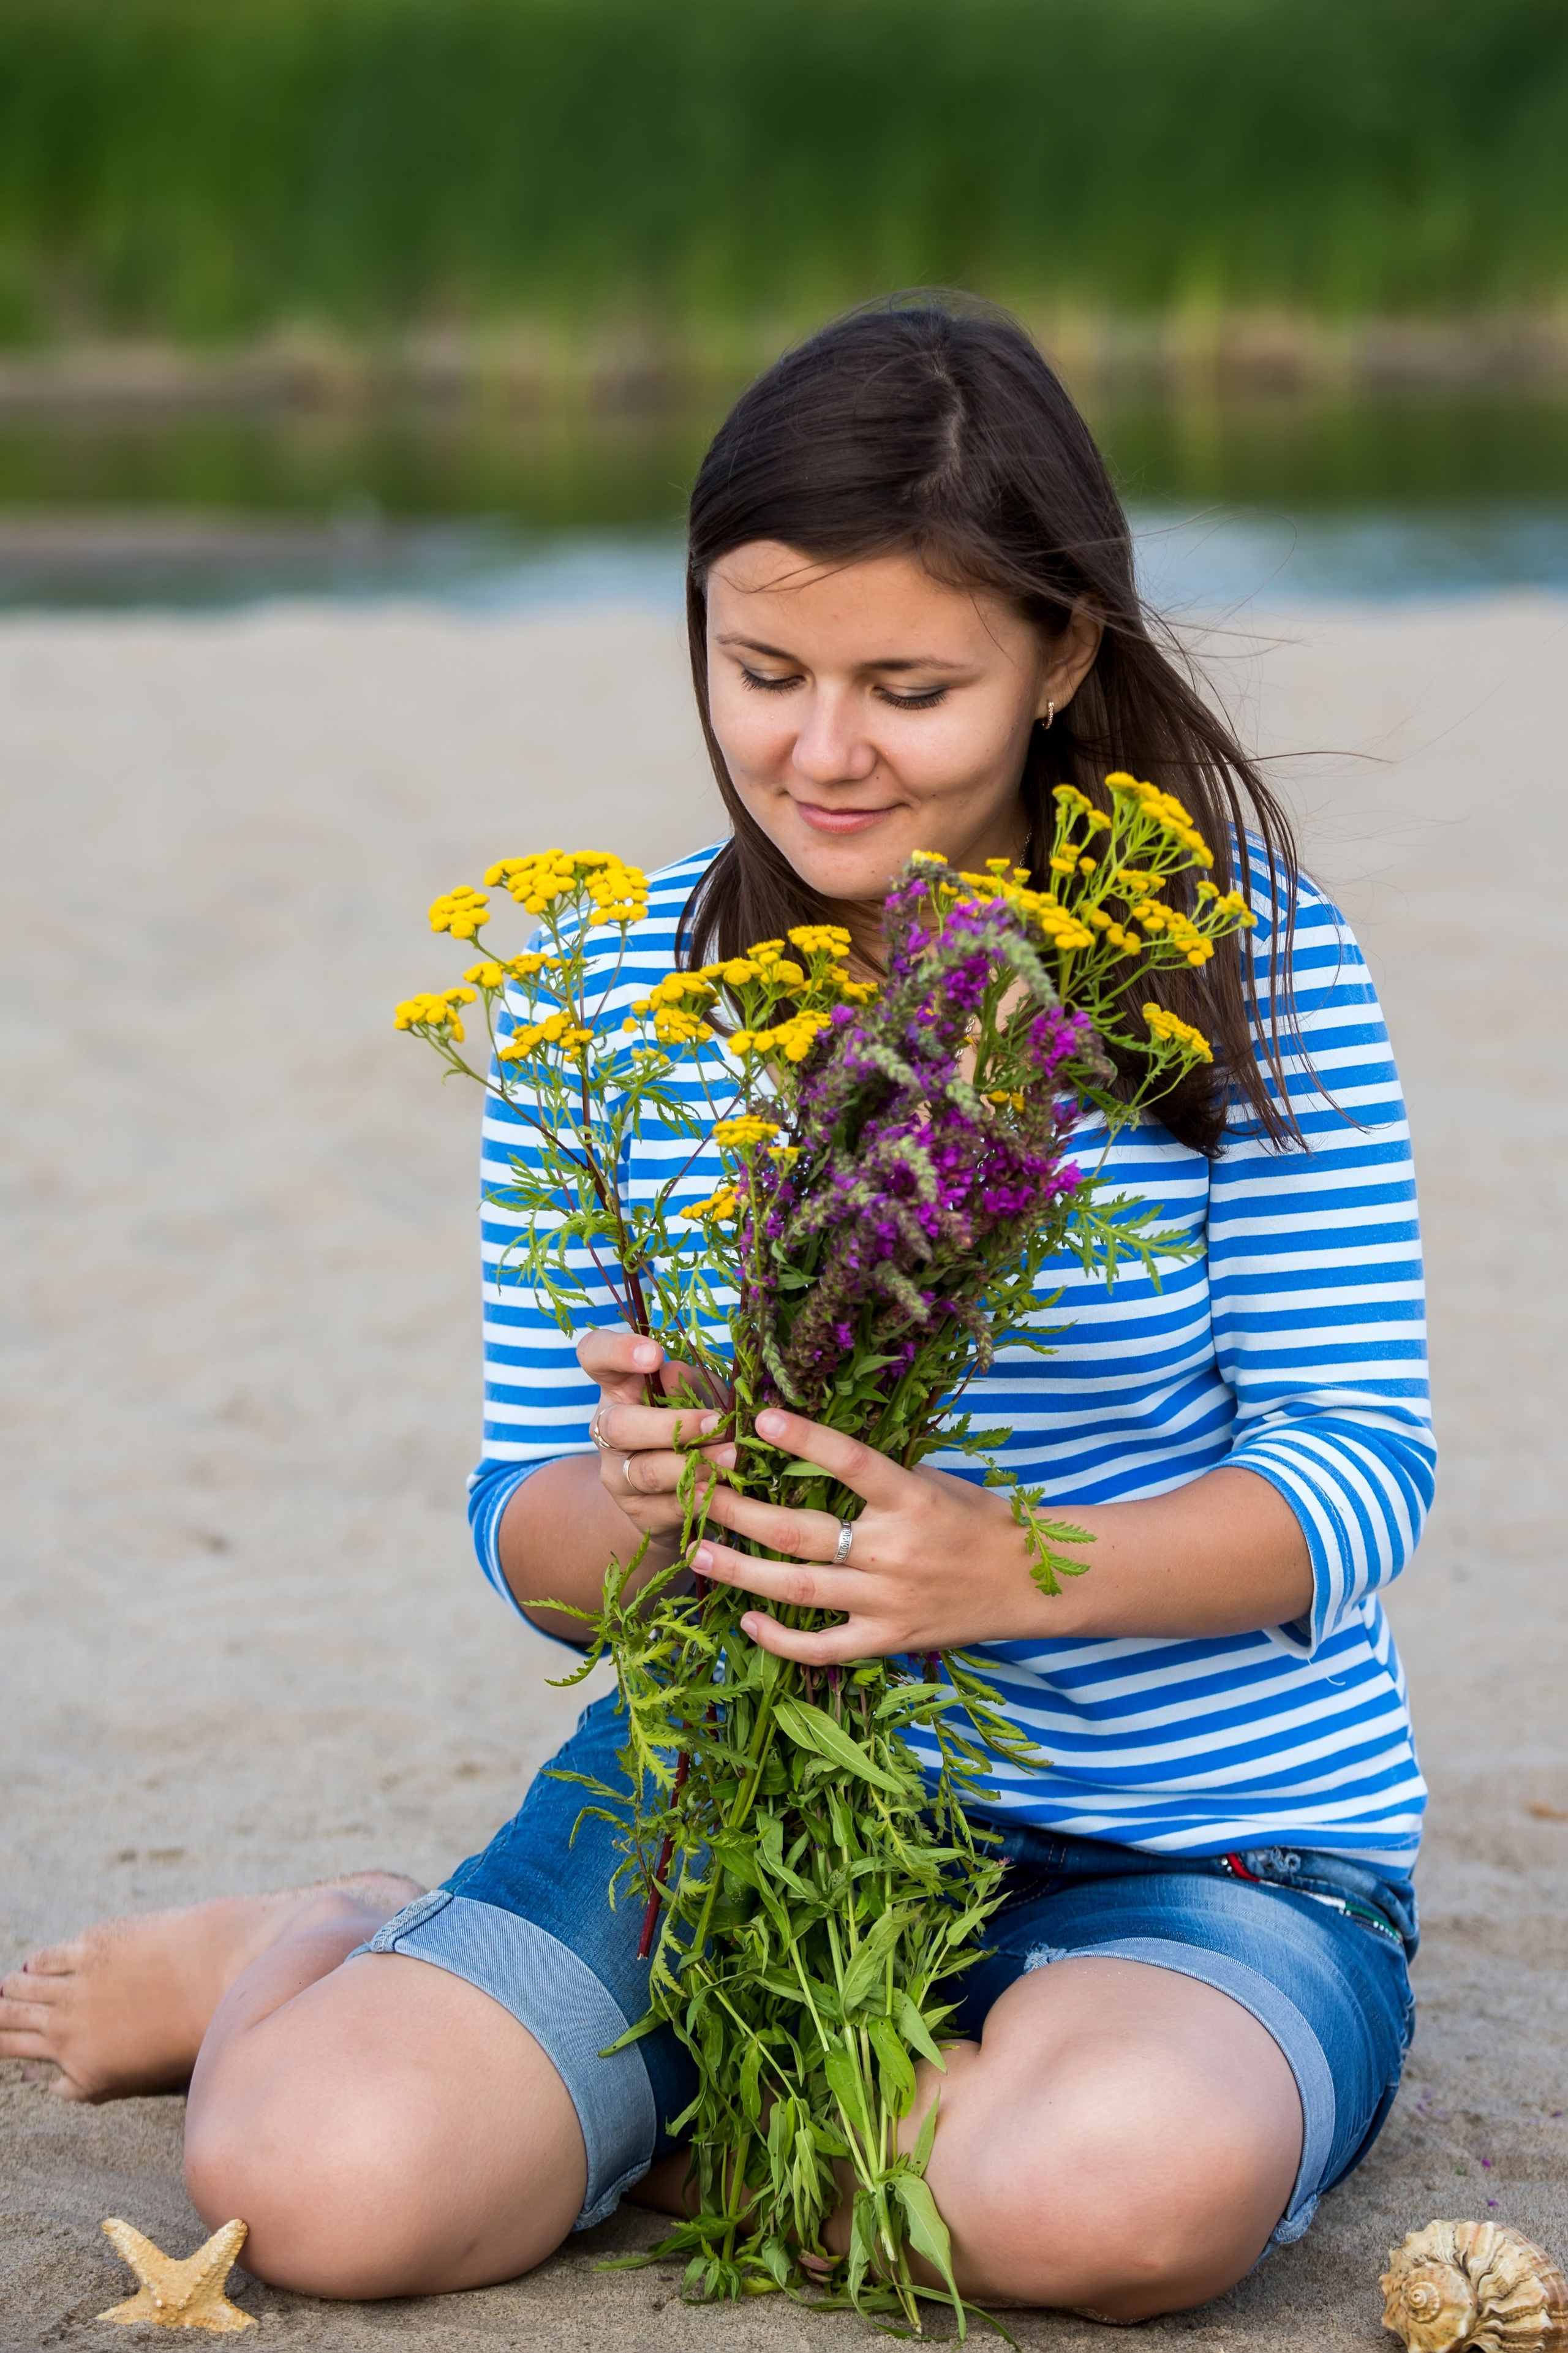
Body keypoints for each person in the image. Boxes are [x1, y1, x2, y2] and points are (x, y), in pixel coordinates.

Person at [0, 298, 1432, 2324]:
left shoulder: (1242, 961)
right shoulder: (600, 989)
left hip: (1202, 1841)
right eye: (759, 670)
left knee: (1105, 2202)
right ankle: (330, 1940)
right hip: (734, 1800)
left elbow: (1361, 1470)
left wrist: (991, 1574)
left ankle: (644, 2098)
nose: (820, 752)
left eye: (909, 688)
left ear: (1062, 659)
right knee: (316, 2186)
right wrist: (649, 1510)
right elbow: (529, 1529)